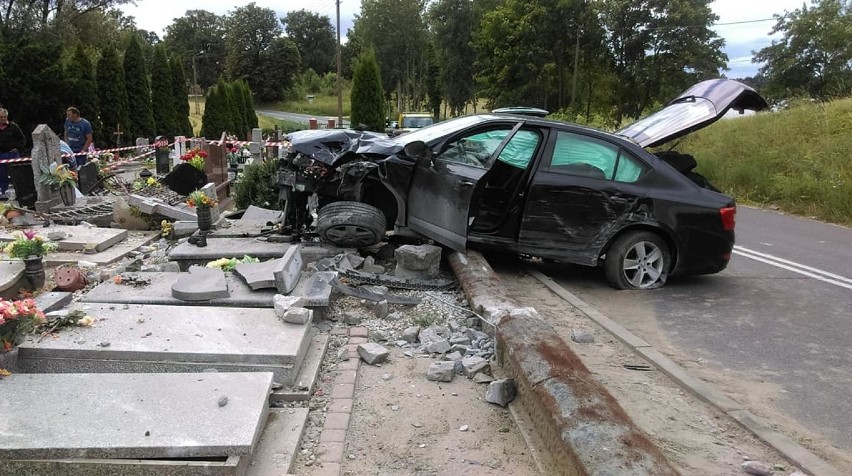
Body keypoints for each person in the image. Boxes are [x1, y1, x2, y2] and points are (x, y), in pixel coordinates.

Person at [0, 108, 26, 201]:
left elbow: (22, 139)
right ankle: (4, 194)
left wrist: (17, 148)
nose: (3, 119)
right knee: (2, 176)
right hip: (1, 155)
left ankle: (20, 194)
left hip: (13, 155)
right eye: (1, 117)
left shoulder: (13, 126)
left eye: (4, 117)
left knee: (17, 175)